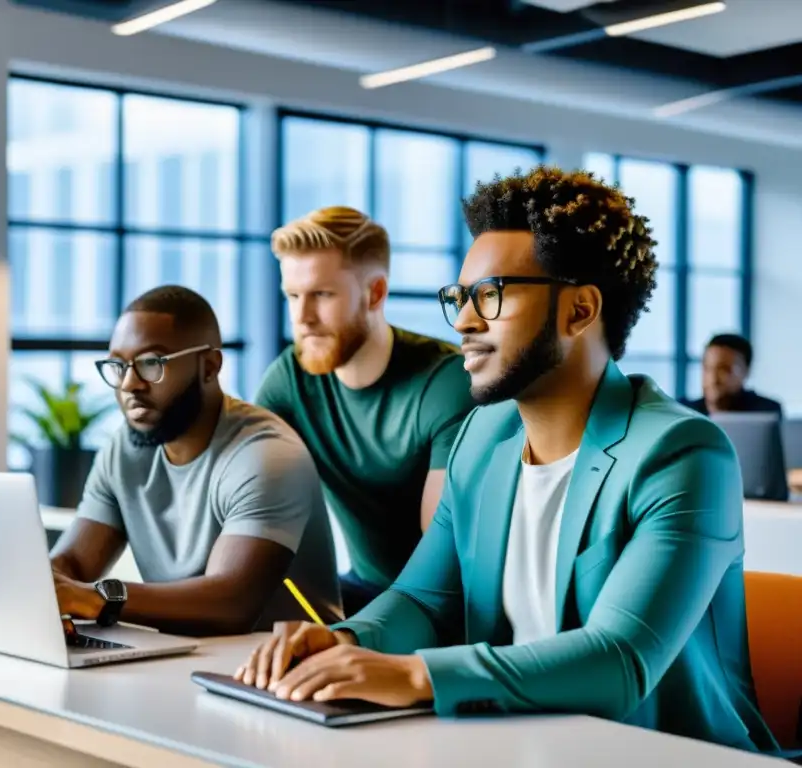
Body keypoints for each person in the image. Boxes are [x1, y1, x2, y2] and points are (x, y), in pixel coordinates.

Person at [234, 168, 779, 754]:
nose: (465, 321)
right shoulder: (482, 437)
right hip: (515, 746)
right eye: (460, 297)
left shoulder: (683, 454)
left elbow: (619, 658)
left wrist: (416, 676)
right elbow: (423, 598)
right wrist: (344, 641)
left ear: (579, 311)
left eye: (491, 295)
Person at [50, 285, 341, 637]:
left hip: (289, 668)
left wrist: (96, 599)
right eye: (118, 365)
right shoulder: (123, 449)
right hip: (184, 656)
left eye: (150, 363)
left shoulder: (266, 455)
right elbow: (74, 563)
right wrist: (47, 591)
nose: (129, 384)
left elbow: (228, 605)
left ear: (210, 366)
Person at [254, 206, 475, 616]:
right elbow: (242, 490)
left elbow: (440, 565)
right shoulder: (290, 376)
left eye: (322, 295)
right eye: (293, 296)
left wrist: (353, 637)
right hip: (360, 590)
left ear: (375, 293)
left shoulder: (445, 384)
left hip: (448, 608)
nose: (302, 319)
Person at [684, 333, 782, 417]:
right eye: (707, 368)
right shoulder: (684, 411)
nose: (713, 379)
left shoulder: (765, 412)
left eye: (724, 370)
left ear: (746, 371)